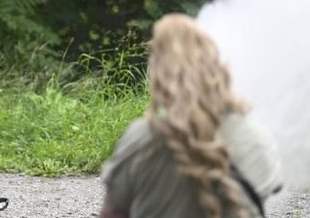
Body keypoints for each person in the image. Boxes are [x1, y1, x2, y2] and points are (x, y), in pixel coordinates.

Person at [99, 13, 283, 218]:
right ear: (217, 68)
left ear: (159, 75)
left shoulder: (142, 138)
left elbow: (112, 213)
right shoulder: (256, 139)